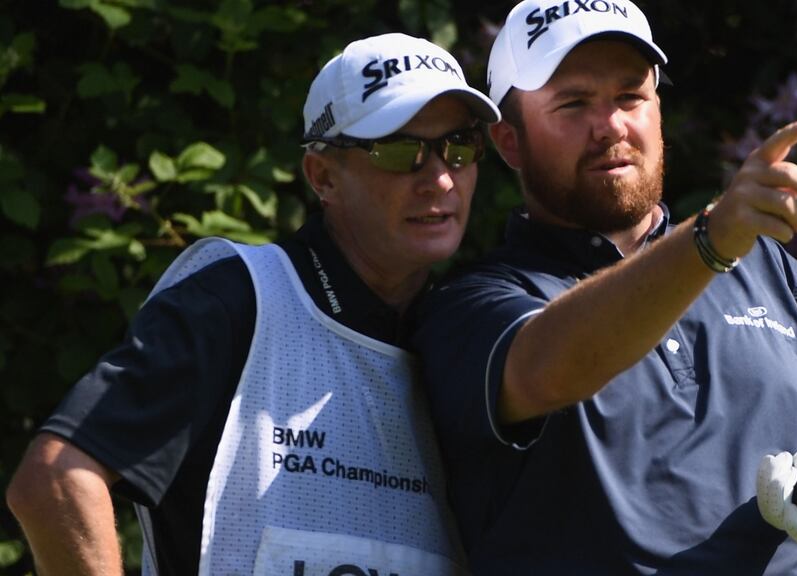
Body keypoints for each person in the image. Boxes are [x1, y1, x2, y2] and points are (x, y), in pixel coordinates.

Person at [412, 1, 797, 574]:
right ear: (510, 142)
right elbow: (550, 367)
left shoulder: (767, 268)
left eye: (630, 97)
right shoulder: (473, 303)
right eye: (574, 103)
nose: (610, 124)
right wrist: (708, 243)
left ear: (658, 111)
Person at [6, 32, 498, 576]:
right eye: (400, 150)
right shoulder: (236, 298)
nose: (439, 178)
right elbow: (54, 480)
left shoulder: (468, 334)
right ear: (323, 177)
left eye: (459, 146)